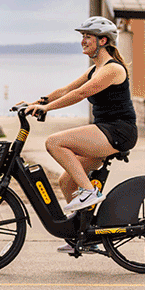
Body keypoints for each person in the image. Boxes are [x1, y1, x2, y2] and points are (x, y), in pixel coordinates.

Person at [24, 16, 138, 231]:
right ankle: (82, 235)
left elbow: (81, 93)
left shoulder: (113, 69)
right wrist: (36, 103)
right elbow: (66, 90)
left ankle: (89, 192)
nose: (83, 41)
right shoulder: (95, 69)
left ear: (103, 41)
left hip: (118, 131)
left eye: (88, 37)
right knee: (66, 182)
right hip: (104, 131)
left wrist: (47, 109)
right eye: (82, 36)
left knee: (54, 142)